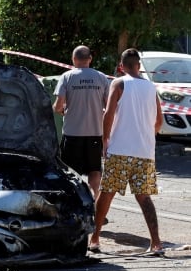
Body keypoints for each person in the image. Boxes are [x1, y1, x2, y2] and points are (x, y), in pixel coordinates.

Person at [88, 48, 163, 255]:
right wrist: (148, 135)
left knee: (106, 195)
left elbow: (108, 114)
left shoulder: (119, 83)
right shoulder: (150, 87)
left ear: (121, 66)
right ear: (139, 65)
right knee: (144, 197)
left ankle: (94, 239)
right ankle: (156, 243)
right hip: (145, 152)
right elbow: (159, 121)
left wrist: (105, 141)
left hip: (120, 150)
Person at [53, 45, 110, 198]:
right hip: (95, 132)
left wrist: (60, 109)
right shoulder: (102, 78)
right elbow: (109, 106)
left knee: (71, 172)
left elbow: (59, 105)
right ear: (90, 59)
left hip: (72, 133)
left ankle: (74, 202)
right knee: (95, 170)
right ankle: (94, 203)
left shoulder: (67, 77)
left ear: (73, 59)